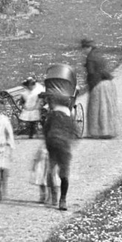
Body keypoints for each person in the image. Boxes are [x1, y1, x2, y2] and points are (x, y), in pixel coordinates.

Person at [41, 63, 81, 211]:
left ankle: (59, 197)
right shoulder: (64, 117)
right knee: (60, 173)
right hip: (60, 147)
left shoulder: (53, 116)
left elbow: (46, 131)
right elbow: (75, 133)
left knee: (55, 172)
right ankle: (60, 198)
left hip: (57, 147)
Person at [80, 39, 120, 139]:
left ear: (88, 48)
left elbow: (92, 74)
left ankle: (98, 132)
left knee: (96, 108)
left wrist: (91, 86)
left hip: (98, 84)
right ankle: (108, 130)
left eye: (84, 48)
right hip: (107, 83)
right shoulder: (98, 55)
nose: (83, 51)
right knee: (106, 107)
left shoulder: (90, 58)